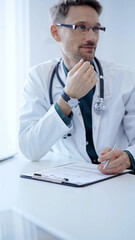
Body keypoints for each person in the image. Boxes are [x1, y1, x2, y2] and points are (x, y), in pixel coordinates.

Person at [19, 0, 135, 175]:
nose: (92, 37)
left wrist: (128, 157)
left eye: (96, 28)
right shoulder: (38, 77)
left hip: (116, 182)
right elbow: (29, 148)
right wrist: (67, 98)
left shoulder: (124, 77)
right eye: (80, 27)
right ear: (56, 32)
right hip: (67, 184)